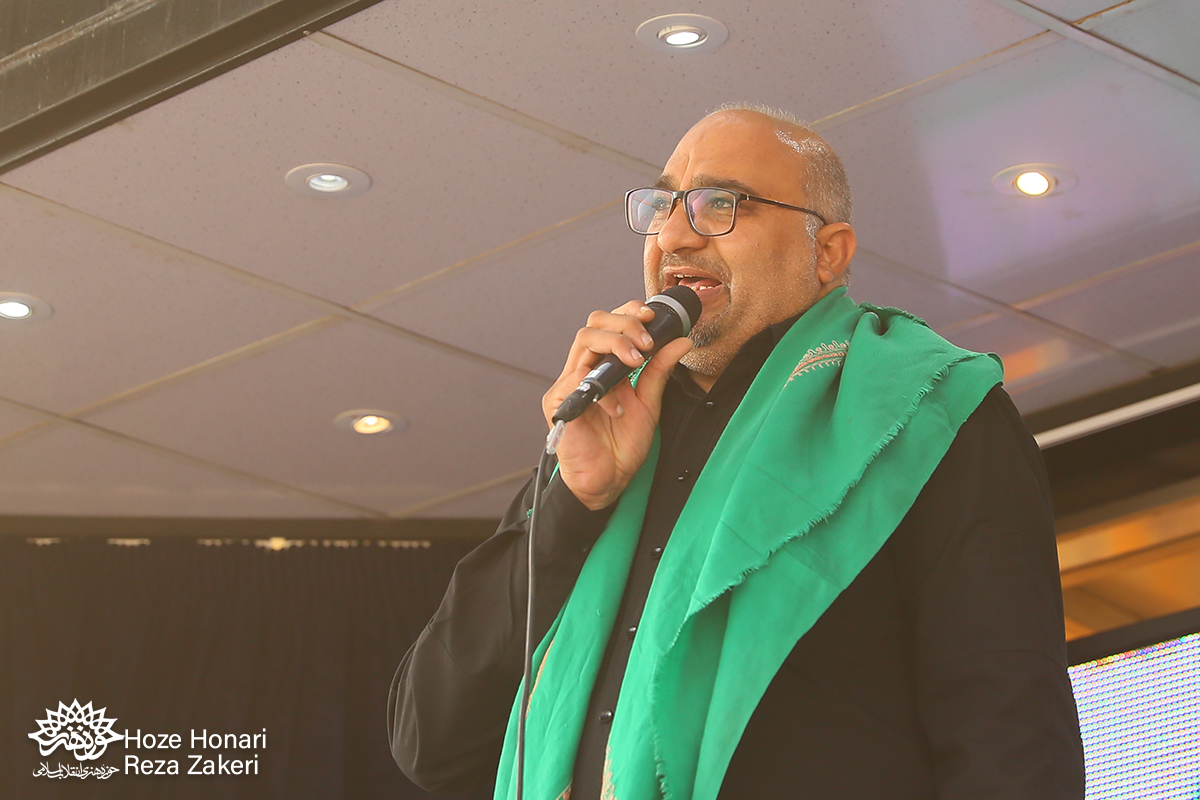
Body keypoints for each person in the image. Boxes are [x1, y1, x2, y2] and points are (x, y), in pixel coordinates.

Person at [389, 104, 1086, 800]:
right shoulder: (604, 423)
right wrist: (572, 503)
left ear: (828, 253)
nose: (675, 236)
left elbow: (1011, 733)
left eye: (722, 204)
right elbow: (431, 745)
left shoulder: (926, 413)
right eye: (665, 206)